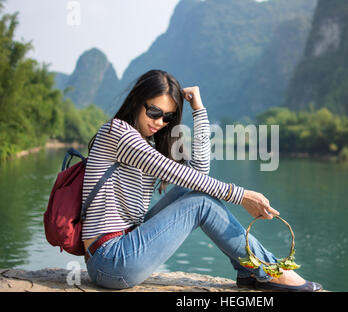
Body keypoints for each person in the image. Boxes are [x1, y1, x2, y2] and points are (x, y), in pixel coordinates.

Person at [81, 69, 322, 292]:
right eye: (154, 112)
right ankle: (270, 271)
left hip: (128, 245)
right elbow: (181, 174)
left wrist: (198, 108)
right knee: (201, 203)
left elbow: (199, 172)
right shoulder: (118, 133)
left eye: (167, 117)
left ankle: (251, 269)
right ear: (136, 101)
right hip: (110, 260)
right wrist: (242, 195)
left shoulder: (148, 143)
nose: (159, 122)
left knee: (200, 195)